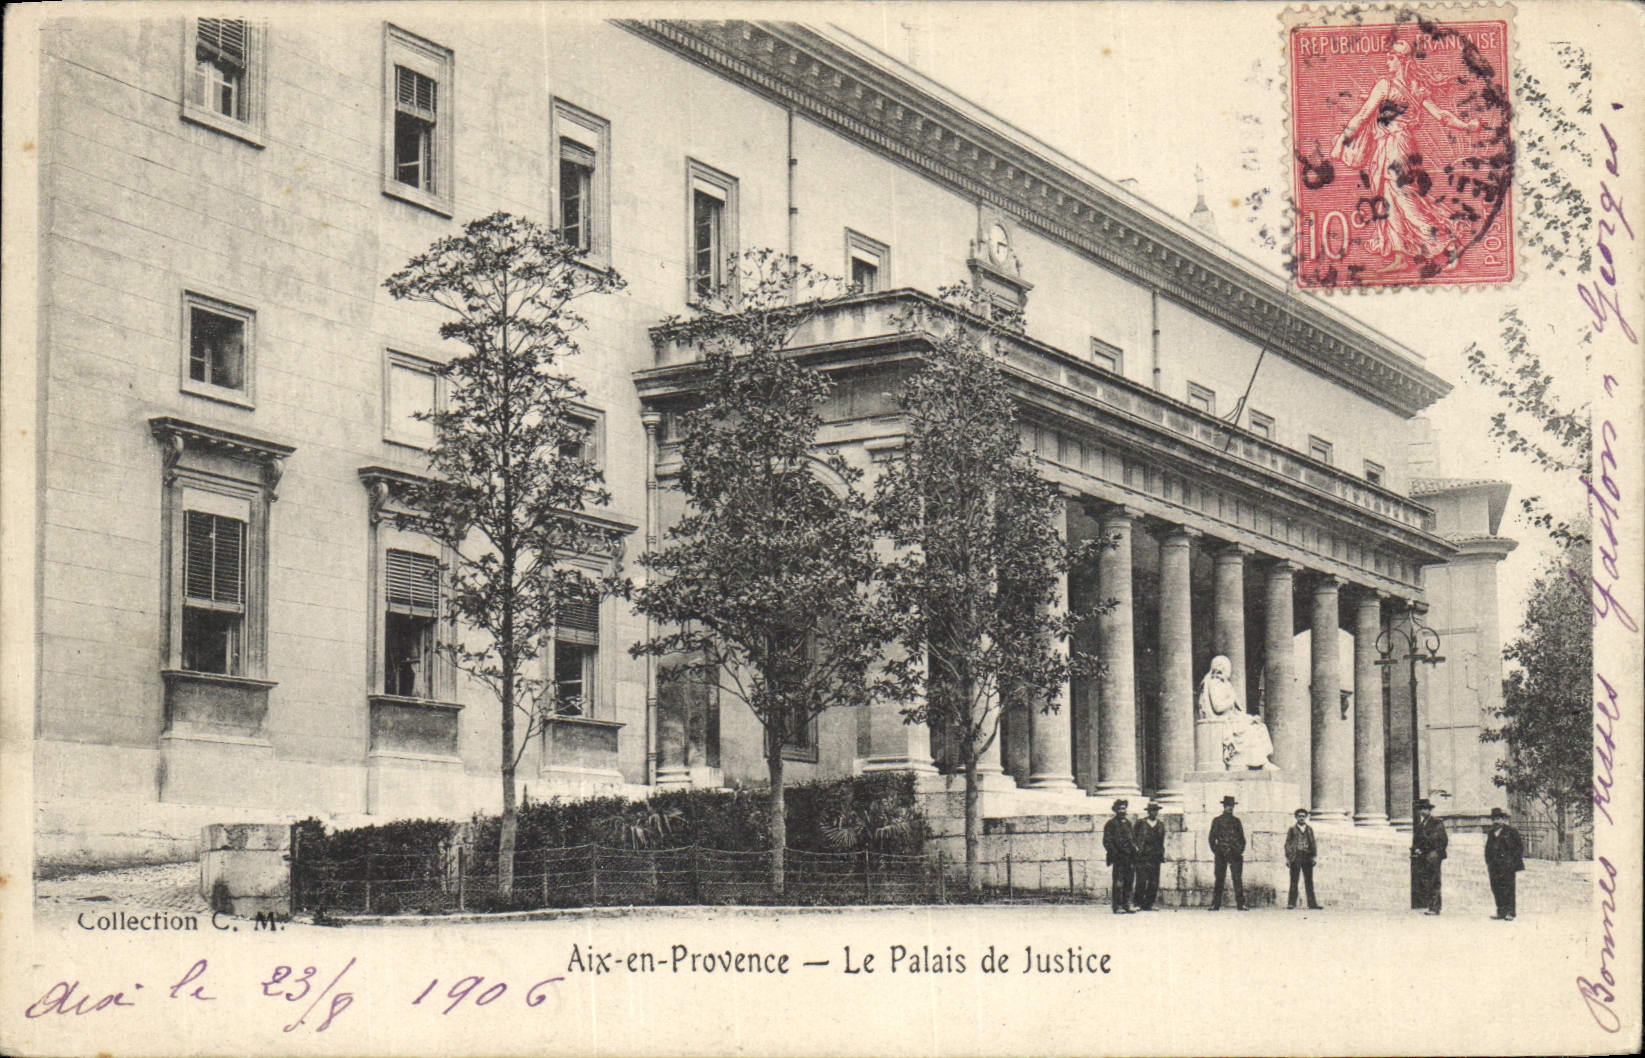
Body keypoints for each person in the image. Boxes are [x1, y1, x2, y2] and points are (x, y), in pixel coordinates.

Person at [1330, 39, 1484, 274]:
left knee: (1402, 196)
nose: (1387, 61)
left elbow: (1363, 115)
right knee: (1387, 197)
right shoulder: (1416, 88)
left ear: (1402, 60)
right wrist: (1467, 126)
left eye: (1391, 58)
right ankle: (1400, 254)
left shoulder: (1386, 85)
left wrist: (1342, 141)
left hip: (1396, 145)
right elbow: (1441, 115)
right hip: (1392, 145)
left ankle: (1445, 242)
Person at [1197, 655, 1275, 770]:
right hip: (1224, 720)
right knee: (1249, 729)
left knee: (1258, 725)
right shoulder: (1214, 683)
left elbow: (1236, 711)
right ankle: (1249, 762)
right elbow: (1218, 708)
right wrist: (1232, 699)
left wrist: (1249, 717)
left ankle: (1262, 761)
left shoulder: (1226, 684)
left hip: (1232, 718)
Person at [1484, 807, 1526, 921]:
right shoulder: (1491, 833)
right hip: (1494, 866)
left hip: (1507, 865)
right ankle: (1501, 911)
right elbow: (1488, 849)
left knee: (1508, 888)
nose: (1496, 821)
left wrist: (1512, 861)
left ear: (1503, 819)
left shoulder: (1511, 831)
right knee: (1496, 888)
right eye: (1494, 819)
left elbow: (1519, 847)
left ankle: (1510, 912)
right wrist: (1489, 862)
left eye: (1498, 818)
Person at [1207, 795, 1248, 911]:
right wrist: (1217, 850)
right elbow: (1211, 838)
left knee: (1237, 878)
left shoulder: (1236, 821)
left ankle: (1241, 904)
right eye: (1227, 806)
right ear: (1223, 807)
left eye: (1231, 806)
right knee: (1219, 878)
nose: (1229, 808)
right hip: (1221, 853)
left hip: (1235, 853)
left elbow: (1242, 839)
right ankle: (1216, 904)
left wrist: (1239, 850)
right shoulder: (1217, 821)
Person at [1410, 798, 1448, 914]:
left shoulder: (1437, 823)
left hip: (1433, 855)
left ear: (1429, 810)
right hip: (1423, 856)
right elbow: (1415, 841)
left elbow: (1441, 840)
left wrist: (1428, 850)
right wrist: (1415, 849)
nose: (1422, 811)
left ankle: (1435, 907)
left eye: (1424, 809)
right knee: (1425, 880)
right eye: (1420, 809)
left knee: (1434, 880)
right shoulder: (1420, 825)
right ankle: (1427, 904)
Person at [1284, 808, 1323, 910]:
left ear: (1306, 817)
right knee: (1294, 880)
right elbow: (1288, 844)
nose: (1301, 818)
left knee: (1309, 881)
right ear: (1296, 817)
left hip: (1307, 856)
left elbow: (1313, 843)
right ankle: (1291, 903)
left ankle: (1312, 904)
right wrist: (1288, 858)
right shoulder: (1292, 830)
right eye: (1299, 816)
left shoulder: (1309, 829)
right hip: (1296, 856)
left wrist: (1314, 856)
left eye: (1303, 816)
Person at [1131, 801, 1167, 911]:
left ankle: (1149, 904)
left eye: (1156, 811)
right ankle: (1138, 903)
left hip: (1155, 855)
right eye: (1152, 810)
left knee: (1154, 881)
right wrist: (1136, 850)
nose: (1154, 813)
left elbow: (1161, 840)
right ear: (1148, 811)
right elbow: (1133, 838)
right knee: (1141, 880)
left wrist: (1161, 853)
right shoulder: (1140, 823)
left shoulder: (1160, 825)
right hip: (1142, 855)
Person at [1102, 799, 1136, 913]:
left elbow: (1132, 839)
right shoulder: (1111, 824)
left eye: (1124, 808)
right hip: (1118, 857)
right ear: (1115, 810)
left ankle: (1127, 904)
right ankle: (1118, 906)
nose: (1123, 810)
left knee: (1129, 881)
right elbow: (1107, 841)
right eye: (1120, 808)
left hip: (1129, 857)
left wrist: (1134, 849)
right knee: (1118, 882)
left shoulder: (1128, 823)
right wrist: (1115, 853)